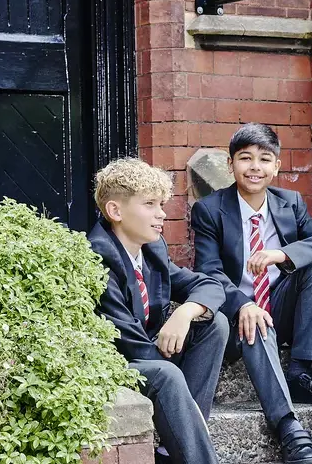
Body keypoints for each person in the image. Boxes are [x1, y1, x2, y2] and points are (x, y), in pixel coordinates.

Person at [190, 123, 312, 463]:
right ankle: (290, 428)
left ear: (276, 166)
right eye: (245, 158)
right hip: (236, 320)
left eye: (264, 159)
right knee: (254, 320)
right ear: (230, 164)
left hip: (281, 307)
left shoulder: (289, 203)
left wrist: (283, 254)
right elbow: (209, 272)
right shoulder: (210, 210)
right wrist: (242, 305)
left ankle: (301, 371)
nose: (255, 167)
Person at [87, 158, 227, 464]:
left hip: (150, 354)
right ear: (115, 211)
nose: (161, 213)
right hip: (117, 363)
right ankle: (193, 442)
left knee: (215, 323)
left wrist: (184, 312)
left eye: (161, 204)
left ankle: (172, 447)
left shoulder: (151, 249)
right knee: (166, 374)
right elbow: (128, 345)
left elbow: (209, 285)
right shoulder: (98, 257)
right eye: (149, 204)